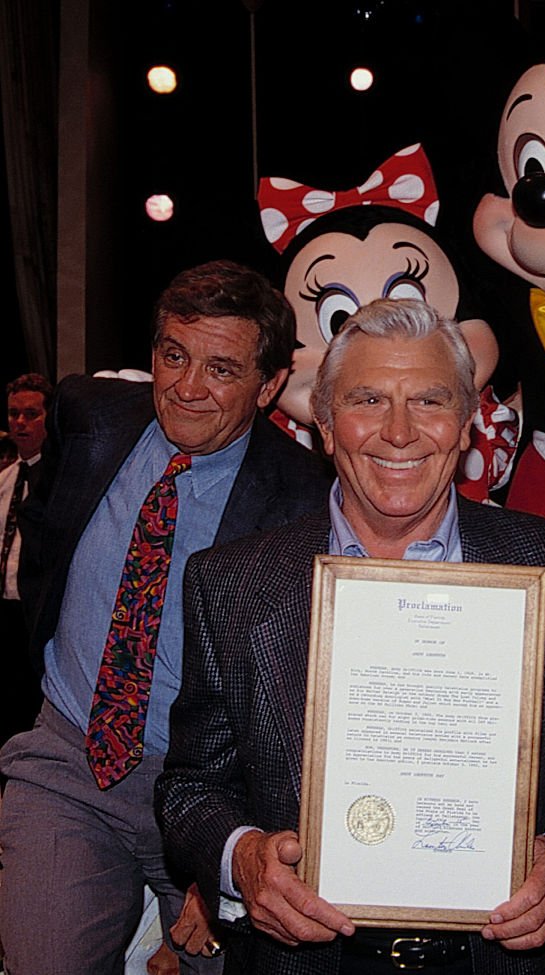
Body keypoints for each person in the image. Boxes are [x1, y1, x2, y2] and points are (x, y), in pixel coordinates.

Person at [155, 297, 545, 974]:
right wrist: (242, 856)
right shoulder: (230, 583)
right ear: (324, 423)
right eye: (369, 399)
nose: (400, 432)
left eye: (430, 401)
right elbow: (190, 786)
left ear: (466, 424)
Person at [0, 260, 333, 975]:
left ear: (270, 385)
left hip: (212, 795)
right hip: (67, 761)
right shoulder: (87, 415)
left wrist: (233, 847)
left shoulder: (305, 501)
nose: (186, 387)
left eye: (221, 368)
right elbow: (45, 544)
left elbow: (303, 698)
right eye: (173, 354)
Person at [0, 372, 53, 748]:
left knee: (30, 714)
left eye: (31, 414)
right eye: (13, 414)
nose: (20, 422)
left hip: (36, 615)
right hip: (2, 611)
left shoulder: (59, 481)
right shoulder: (4, 480)